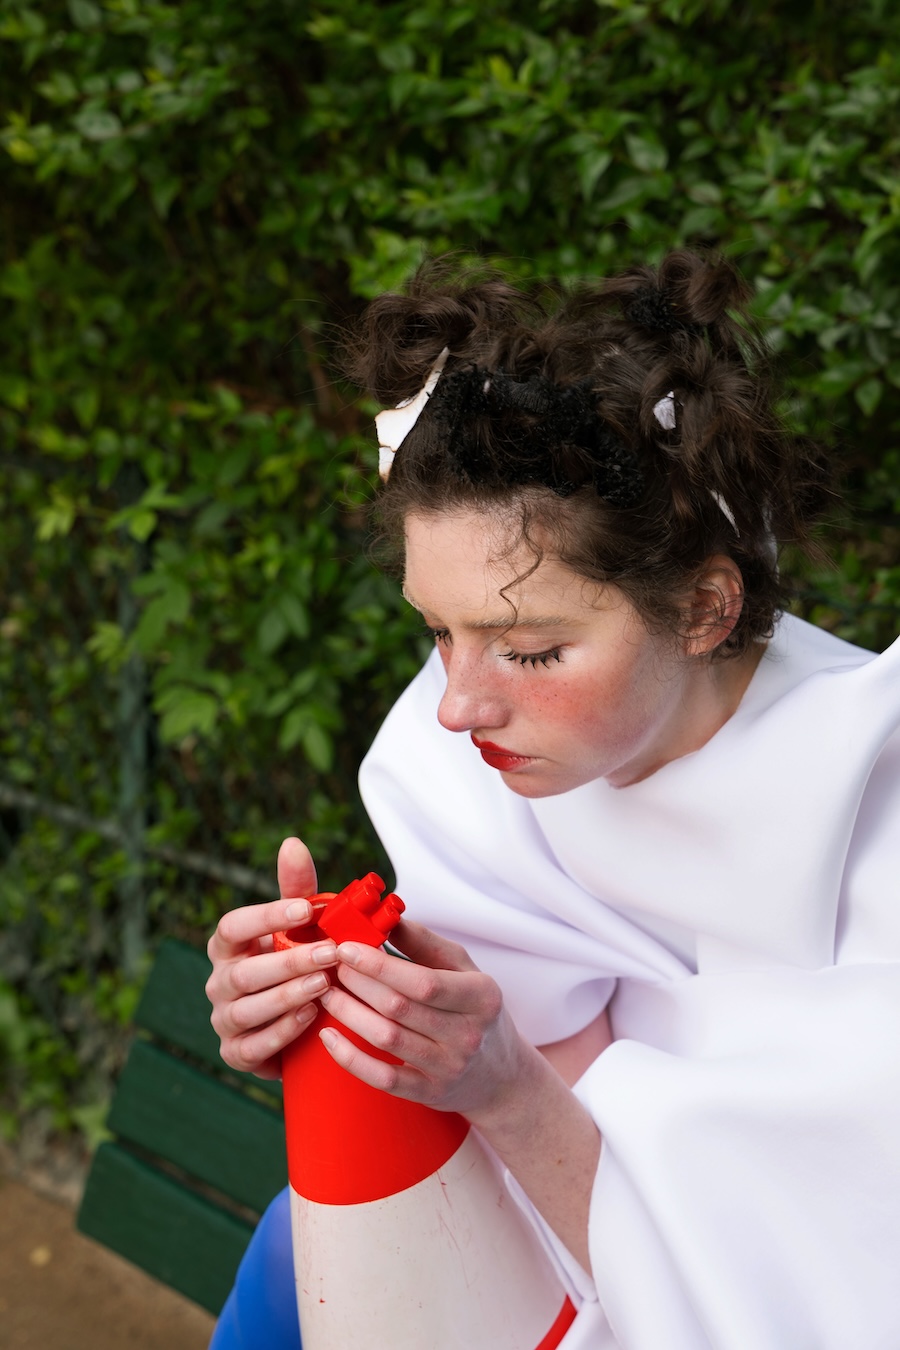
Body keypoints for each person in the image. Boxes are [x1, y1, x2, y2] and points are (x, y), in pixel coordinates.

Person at [205, 251, 900, 1349]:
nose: (455, 707)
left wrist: (507, 1090)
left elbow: (795, 1299)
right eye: (439, 633)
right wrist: (313, 1014)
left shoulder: (874, 836)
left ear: (707, 609)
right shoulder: (471, 772)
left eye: (529, 651)